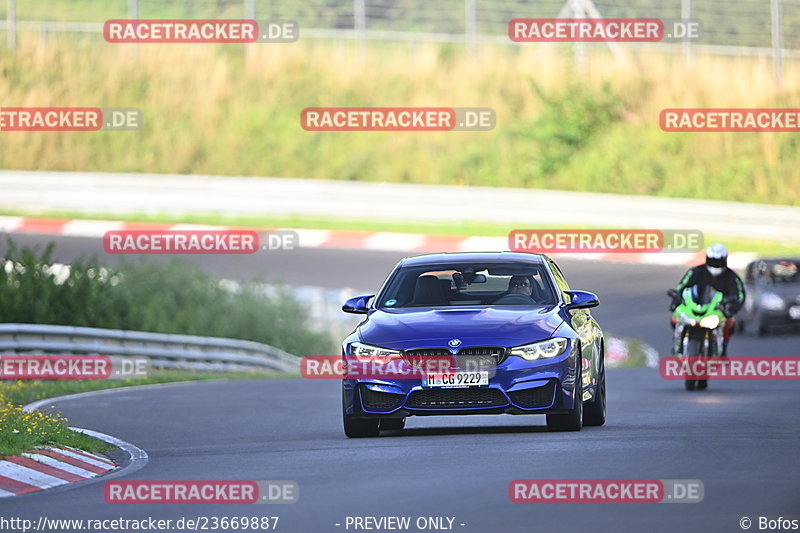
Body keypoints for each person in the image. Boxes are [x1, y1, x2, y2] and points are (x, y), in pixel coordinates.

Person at [670, 243, 746, 357]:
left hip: (717, 309)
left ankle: (723, 349)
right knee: (675, 318)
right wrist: (675, 300)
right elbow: (681, 287)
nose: (715, 265)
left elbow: (740, 295)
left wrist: (731, 309)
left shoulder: (731, 277)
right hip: (695, 306)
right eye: (712, 261)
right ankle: (678, 342)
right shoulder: (696, 271)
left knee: (730, 323)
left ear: (724, 261)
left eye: (718, 261)